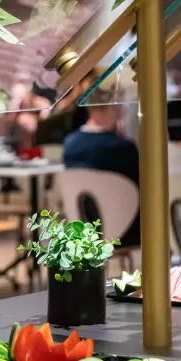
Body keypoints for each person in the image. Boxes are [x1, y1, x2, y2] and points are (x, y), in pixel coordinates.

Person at [62, 73, 140, 246]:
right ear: (116, 105)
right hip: (128, 232)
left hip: (83, 231)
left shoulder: (70, 144)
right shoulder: (123, 148)